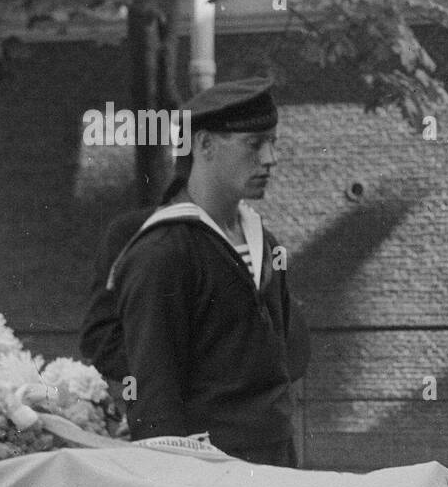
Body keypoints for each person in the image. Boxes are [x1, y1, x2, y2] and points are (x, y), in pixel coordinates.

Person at [79, 77, 305, 466]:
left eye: (273, 142)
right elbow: (155, 398)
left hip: (275, 461)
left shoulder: (263, 240)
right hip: (210, 468)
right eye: (254, 144)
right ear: (204, 145)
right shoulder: (164, 249)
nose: (270, 158)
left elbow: (288, 356)